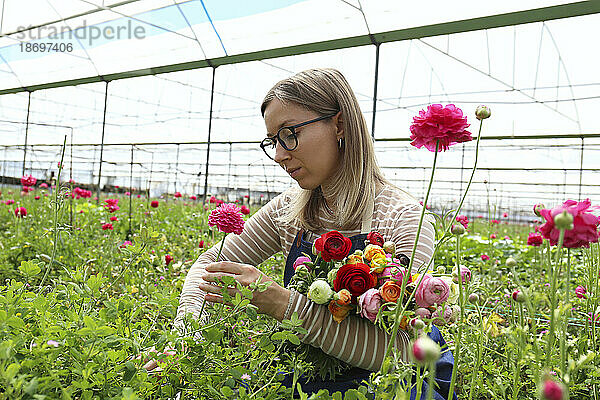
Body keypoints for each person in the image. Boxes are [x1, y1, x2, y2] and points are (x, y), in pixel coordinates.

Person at [172, 68, 455, 398]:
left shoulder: (401, 218)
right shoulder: (289, 209)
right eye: (273, 141)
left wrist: (282, 304)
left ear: (339, 124)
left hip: (383, 386)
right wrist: (184, 340)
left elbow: (400, 351)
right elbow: (209, 263)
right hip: (303, 375)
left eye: (289, 134)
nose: (279, 155)